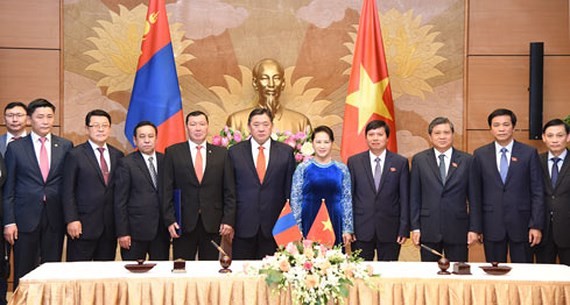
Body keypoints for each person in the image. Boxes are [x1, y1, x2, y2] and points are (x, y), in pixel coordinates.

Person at [3, 98, 73, 289]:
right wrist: (9, 221)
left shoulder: (65, 145)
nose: (45, 121)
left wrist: (70, 217)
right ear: (30, 120)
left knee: (52, 268)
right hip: (24, 217)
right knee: (24, 269)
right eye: (40, 117)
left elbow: (68, 186)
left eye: (49, 116)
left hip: (54, 216)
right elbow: (9, 188)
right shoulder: (15, 147)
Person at [471, 108, 544, 263]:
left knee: (524, 274)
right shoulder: (480, 154)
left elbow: (537, 191)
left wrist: (536, 225)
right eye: (496, 125)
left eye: (506, 124)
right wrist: (476, 227)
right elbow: (475, 195)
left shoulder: (529, 153)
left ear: (513, 127)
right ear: (490, 129)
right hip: (491, 224)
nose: (501, 129)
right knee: (494, 274)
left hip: (522, 224)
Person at [162, 111, 236, 260]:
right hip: (182, 224)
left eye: (202, 124)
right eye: (193, 124)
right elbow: (166, 190)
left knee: (209, 271)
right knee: (182, 269)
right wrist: (170, 220)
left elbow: (229, 191)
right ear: (187, 127)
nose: (198, 128)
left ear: (207, 127)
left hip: (213, 223)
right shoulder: (173, 152)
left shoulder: (222, 154)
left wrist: (228, 219)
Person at [410, 117, 481, 262]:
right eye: (437, 133)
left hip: (458, 229)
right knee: (429, 276)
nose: (442, 136)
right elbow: (414, 197)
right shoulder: (419, 160)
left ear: (453, 134)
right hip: (428, 228)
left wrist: (474, 229)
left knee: (458, 274)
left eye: (446, 132)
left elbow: (475, 198)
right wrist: (415, 228)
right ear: (430, 136)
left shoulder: (468, 160)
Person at [228, 108, 296, 259]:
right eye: (256, 124)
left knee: (271, 276)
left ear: (271, 126)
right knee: (242, 275)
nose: (261, 129)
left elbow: (289, 191)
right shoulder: (234, 152)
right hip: (243, 225)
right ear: (249, 126)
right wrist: (229, 222)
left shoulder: (286, 152)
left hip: (275, 226)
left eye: (265, 124)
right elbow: (229, 190)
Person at [62, 109, 124, 261]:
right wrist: (71, 219)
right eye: (95, 125)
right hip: (82, 226)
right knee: (78, 275)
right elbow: (67, 190)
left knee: (104, 275)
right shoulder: (75, 154)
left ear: (110, 128)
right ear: (87, 129)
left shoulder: (118, 155)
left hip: (109, 228)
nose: (101, 129)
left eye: (104, 125)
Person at [347, 120, 409, 261]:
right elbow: (349, 197)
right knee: (361, 274)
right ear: (366, 138)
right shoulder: (354, 162)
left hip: (390, 230)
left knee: (389, 274)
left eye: (380, 134)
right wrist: (350, 227)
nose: (375, 138)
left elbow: (405, 198)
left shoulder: (400, 162)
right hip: (361, 230)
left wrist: (403, 228)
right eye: (371, 134)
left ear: (387, 138)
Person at [114, 121, 169, 261]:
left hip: (161, 232)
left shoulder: (166, 161)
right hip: (134, 233)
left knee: (160, 274)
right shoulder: (126, 163)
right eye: (142, 136)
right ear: (135, 140)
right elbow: (120, 201)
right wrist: (123, 233)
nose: (146, 140)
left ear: (156, 138)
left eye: (150, 136)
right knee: (132, 276)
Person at [291, 125, 353, 246]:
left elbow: (346, 199)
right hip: (309, 218)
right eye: (318, 142)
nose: (322, 146)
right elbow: (295, 198)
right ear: (312, 144)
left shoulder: (342, 169)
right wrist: (297, 227)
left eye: (326, 142)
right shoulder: (302, 168)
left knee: (334, 260)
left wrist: (347, 229)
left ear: (332, 143)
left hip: (335, 219)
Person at [226, 58, 312, 134]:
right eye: (264, 78)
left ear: (283, 83)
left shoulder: (301, 122)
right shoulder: (236, 121)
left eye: (276, 78)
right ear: (255, 83)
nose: (271, 84)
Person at [0, 101, 27, 304]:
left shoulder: (35, 144)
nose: (15, 119)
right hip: (3, 214)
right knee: (2, 264)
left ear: (27, 118)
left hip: (30, 214)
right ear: (4, 119)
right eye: (10, 115)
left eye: (19, 115)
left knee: (29, 263)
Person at [534, 119, 570, 265]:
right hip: (542, 231)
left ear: (568, 137)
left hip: (567, 230)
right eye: (550, 136)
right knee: (544, 278)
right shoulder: (535, 160)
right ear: (544, 138)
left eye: (559, 135)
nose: (555, 140)